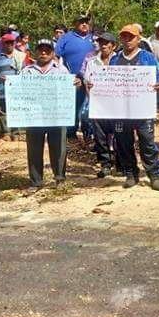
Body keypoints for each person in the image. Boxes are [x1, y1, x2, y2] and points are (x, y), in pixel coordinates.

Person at [104, 26, 159, 190]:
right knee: (123, 143)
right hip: (121, 111)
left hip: (143, 110)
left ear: (139, 39)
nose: (127, 40)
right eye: (124, 37)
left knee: (147, 142)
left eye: (131, 37)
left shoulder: (148, 58)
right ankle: (131, 173)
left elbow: (158, 78)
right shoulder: (115, 60)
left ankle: (154, 174)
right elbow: (108, 82)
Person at [21, 39, 80, 191]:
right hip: (34, 116)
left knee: (59, 148)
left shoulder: (61, 70)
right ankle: (36, 181)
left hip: (57, 115)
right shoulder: (27, 71)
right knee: (34, 149)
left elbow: (70, 89)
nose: (44, 52)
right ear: (36, 52)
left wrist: (76, 85)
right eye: (41, 49)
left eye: (47, 50)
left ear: (53, 53)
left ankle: (59, 179)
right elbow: (18, 92)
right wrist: (11, 84)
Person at [81, 32, 118, 178]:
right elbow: (87, 83)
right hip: (98, 105)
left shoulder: (120, 61)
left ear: (113, 45)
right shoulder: (92, 62)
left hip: (117, 105)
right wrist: (91, 93)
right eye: (101, 42)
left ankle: (120, 162)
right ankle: (105, 164)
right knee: (100, 136)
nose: (103, 45)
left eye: (107, 43)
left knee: (119, 134)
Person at [54, 15, 96, 139]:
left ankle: (89, 134)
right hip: (72, 80)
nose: (84, 24)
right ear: (75, 24)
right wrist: (62, 73)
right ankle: (71, 134)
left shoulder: (94, 38)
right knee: (73, 107)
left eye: (86, 22)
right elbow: (55, 56)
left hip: (92, 80)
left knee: (90, 108)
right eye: (81, 22)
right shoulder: (65, 38)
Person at [0, 32, 24, 140]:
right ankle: (6, 133)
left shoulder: (20, 56)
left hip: (17, 90)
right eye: (6, 43)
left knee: (16, 110)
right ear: (2, 44)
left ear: (14, 43)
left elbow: (25, 72)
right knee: (3, 112)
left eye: (11, 42)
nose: (9, 45)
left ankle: (17, 133)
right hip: (1, 90)